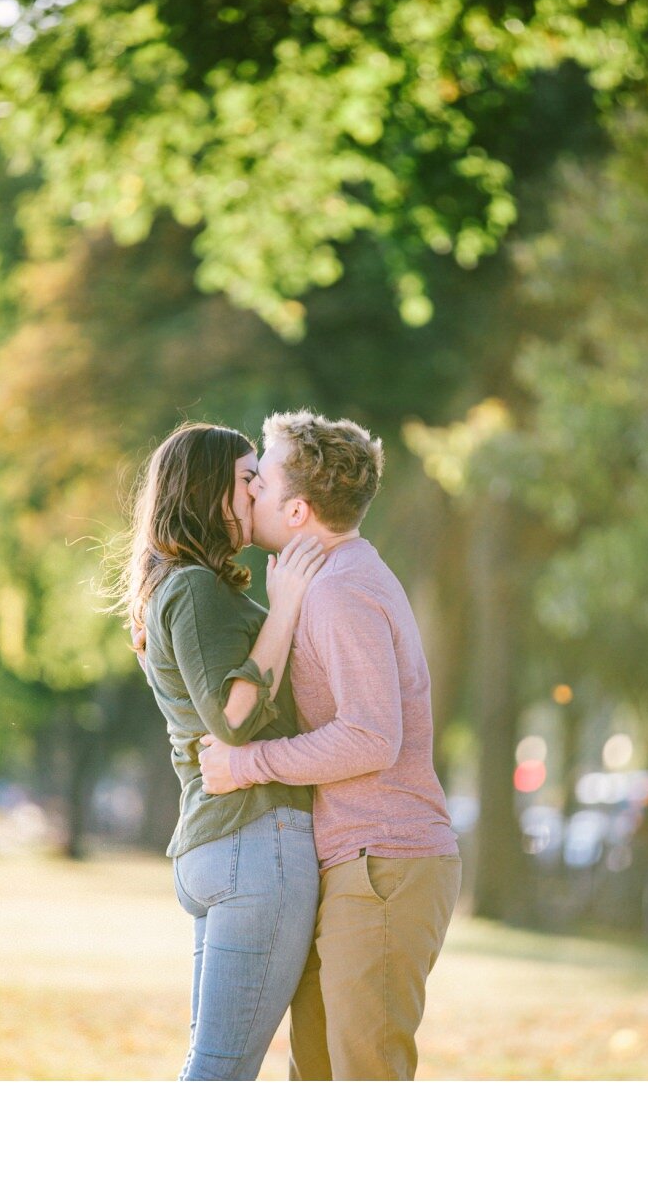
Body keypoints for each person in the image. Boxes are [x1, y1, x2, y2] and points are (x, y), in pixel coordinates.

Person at [199, 410, 460, 1081]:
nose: (249, 489)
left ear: (296, 511)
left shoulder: (341, 591)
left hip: (385, 863)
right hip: (357, 863)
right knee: (315, 1075)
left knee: (361, 1077)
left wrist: (243, 765)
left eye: (261, 480)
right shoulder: (324, 582)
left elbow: (372, 736)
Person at [112, 421, 328, 1080]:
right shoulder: (193, 588)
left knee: (210, 1071)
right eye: (246, 477)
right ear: (209, 490)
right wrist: (287, 604)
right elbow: (232, 719)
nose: (259, 487)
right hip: (253, 843)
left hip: (223, 847)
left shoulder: (184, 586)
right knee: (219, 1077)